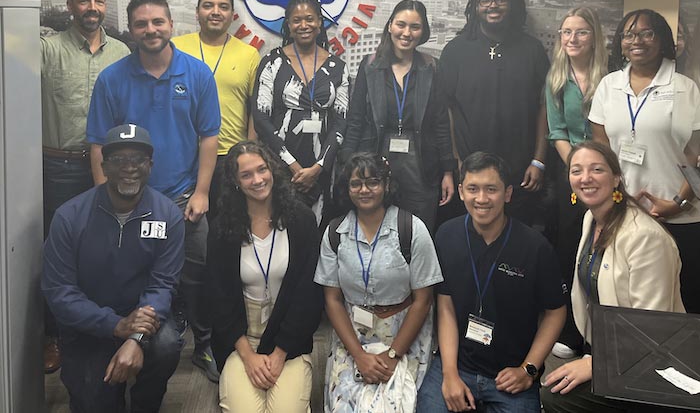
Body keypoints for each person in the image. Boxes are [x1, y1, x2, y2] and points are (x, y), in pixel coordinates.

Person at [86, 0, 222, 381]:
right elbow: (98, 142)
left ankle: (205, 343)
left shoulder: (196, 74)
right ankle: (137, 337)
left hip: (183, 196)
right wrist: (104, 198)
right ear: (131, 30)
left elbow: (208, 137)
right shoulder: (112, 78)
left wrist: (201, 192)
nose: (151, 30)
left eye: (157, 22)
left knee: (198, 273)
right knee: (132, 271)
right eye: (142, 24)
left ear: (171, 25)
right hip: (129, 199)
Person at [42, 124, 185, 413]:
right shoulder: (69, 217)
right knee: (95, 402)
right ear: (104, 166)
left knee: (168, 344)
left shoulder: (168, 215)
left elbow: (162, 285)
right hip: (88, 327)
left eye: (138, 160)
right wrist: (115, 325)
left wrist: (135, 338)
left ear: (150, 166)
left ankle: (145, 402)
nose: (129, 168)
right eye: (118, 160)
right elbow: (60, 293)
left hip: (144, 320)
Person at [417, 151, 566, 413]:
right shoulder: (446, 235)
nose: (482, 199)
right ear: (461, 191)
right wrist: (450, 374)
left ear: (507, 194)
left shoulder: (535, 247)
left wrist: (528, 369)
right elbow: (446, 306)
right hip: (457, 365)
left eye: (491, 189)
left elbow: (555, 311)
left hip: (511, 374)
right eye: (473, 189)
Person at [542, 141, 684, 413]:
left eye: (597, 169)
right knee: (555, 387)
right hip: (608, 353)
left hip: (650, 363)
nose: (585, 178)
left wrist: (597, 364)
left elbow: (654, 329)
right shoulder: (590, 220)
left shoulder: (645, 237)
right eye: (576, 170)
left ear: (616, 178)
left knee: (555, 399)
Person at [40, 0, 129, 373]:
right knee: (58, 254)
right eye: (84, 1)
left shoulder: (122, 54)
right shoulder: (46, 51)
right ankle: (55, 335)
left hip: (109, 169)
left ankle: (109, 327)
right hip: (58, 166)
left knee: (107, 250)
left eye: (98, 2)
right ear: (69, 4)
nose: (92, 8)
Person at [589, 9, 700, 314]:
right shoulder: (609, 86)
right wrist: (617, 198)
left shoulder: (685, 88)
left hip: (680, 214)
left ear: (662, 39)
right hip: (625, 211)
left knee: (682, 299)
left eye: (646, 33)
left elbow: (695, 156)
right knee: (627, 294)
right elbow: (602, 149)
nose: (636, 40)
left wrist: (678, 201)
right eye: (628, 34)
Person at [315, 152, 442, 412]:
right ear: (347, 188)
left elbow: (423, 301)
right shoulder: (334, 233)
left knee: (401, 404)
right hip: (353, 334)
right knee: (343, 406)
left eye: (372, 182)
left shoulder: (411, 229)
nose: (364, 190)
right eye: (356, 183)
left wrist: (394, 354)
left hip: (405, 333)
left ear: (386, 185)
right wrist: (359, 356)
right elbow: (332, 300)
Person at [207, 141, 322, 413]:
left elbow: (309, 295)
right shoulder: (222, 228)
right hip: (241, 340)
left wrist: (280, 354)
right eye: (246, 175)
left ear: (273, 170)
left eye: (262, 170)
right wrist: (247, 356)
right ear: (235, 181)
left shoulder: (302, 220)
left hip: (288, 339)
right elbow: (218, 298)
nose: (257, 180)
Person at [438, 0, 549, 226]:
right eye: (485, 0)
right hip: (470, 171)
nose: (493, 5)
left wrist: (539, 159)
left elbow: (546, 107)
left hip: (521, 172)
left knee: (516, 244)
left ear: (512, 4)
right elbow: (447, 109)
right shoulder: (455, 50)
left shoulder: (532, 50)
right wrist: (454, 158)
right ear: (475, 7)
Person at [341, 0, 456, 233]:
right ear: (390, 26)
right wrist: (347, 165)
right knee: (376, 227)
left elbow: (441, 123)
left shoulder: (432, 67)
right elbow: (355, 119)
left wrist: (448, 171)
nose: (407, 33)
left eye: (415, 27)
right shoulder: (370, 66)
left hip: (421, 161)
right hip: (376, 155)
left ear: (423, 32)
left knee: (419, 231)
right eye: (401, 24)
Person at [252, 0, 349, 225]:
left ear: (319, 23)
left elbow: (341, 121)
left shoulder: (338, 67)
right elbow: (260, 119)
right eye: (297, 20)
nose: (303, 25)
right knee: (281, 229)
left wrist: (318, 167)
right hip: (279, 166)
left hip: (321, 170)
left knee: (315, 231)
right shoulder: (272, 62)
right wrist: (293, 166)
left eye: (309, 19)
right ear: (288, 24)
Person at [544, 6, 608, 360]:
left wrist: (598, 171)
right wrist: (580, 171)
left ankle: (600, 334)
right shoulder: (556, 78)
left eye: (581, 32)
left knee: (603, 251)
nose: (572, 39)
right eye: (566, 32)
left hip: (607, 173)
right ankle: (570, 330)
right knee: (571, 251)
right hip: (571, 175)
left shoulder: (611, 77)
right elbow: (557, 132)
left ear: (594, 36)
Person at [172, 0, 261, 221]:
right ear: (197, 11)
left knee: (227, 228)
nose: (215, 12)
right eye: (208, 5)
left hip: (229, 158)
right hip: (183, 155)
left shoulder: (249, 54)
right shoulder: (176, 49)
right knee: (183, 228)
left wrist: (249, 153)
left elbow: (255, 111)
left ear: (232, 15)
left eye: (223, 7)